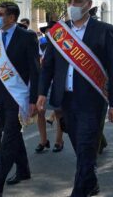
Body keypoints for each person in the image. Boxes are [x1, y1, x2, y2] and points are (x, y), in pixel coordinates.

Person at [37, 0, 113, 197]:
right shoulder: (58, 32)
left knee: (85, 149)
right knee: (79, 147)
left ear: (89, 5)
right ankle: (91, 183)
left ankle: (79, 191)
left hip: (92, 101)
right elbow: (47, 67)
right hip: (65, 100)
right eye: (69, 2)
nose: (72, 6)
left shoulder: (104, 30)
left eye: (78, 2)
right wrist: (40, 94)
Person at [0, 2, 40, 197]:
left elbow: (34, 69)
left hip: (18, 96)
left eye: (0, 14)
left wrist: (33, 99)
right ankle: (23, 170)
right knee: (14, 136)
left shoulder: (27, 36)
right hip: (0, 97)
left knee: (8, 140)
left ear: (12, 18)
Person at [35, 21, 64, 153]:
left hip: (56, 82)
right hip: (42, 82)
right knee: (40, 111)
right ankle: (43, 140)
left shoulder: (63, 45)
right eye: (47, 30)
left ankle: (59, 140)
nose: (49, 32)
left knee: (58, 113)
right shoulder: (41, 44)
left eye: (51, 29)